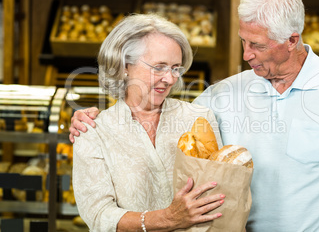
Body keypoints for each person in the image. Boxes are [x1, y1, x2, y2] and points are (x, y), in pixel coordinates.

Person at [70, 0, 319, 231]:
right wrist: (89, 119)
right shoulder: (223, 95)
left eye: (256, 44)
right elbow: (160, 116)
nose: (245, 54)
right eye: (244, 41)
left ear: (292, 40)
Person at [71, 13, 226, 232]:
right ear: (125, 65)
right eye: (159, 67)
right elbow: (98, 215)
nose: (170, 78)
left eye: (175, 68)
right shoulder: (94, 131)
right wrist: (167, 219)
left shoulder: (199, 119)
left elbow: (219, 192)